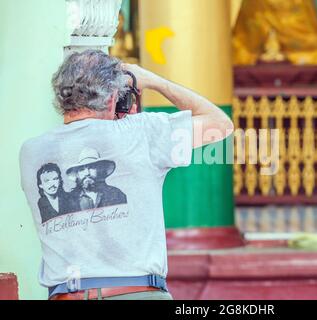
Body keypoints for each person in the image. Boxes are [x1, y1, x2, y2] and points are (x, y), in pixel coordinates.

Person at [19, 50, 234, 300]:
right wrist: (155, 82)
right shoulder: (140, 132)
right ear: (112, 97)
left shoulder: (31, 152)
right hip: (136, 292)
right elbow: (220, 124)